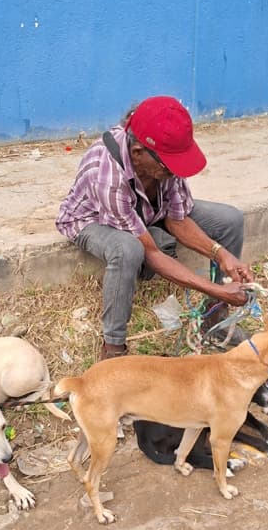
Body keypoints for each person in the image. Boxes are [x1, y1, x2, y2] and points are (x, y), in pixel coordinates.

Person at [56, 95, 253, 359]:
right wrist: (215, 288)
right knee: (128, 250)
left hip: (147, 211)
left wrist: (221, 254)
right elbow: (150, 252)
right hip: (94, 220)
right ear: (138, 153)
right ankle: (113, 348)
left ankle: (214, 320)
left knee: (230, 220)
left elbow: (178, 220)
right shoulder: (106, 171)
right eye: (169, 167)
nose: (175, 172)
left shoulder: (160, 163)